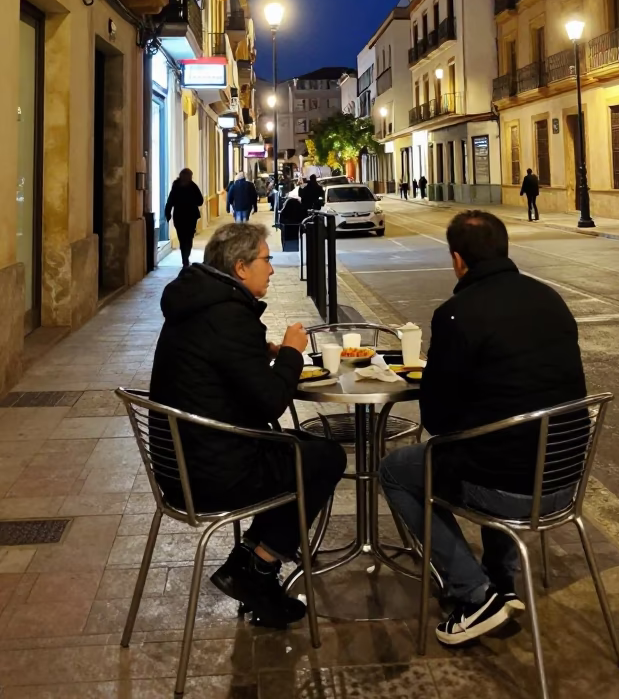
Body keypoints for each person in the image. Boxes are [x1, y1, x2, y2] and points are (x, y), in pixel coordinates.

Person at [380, 210, 586, 647]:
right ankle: (501, 581)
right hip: (566, 480)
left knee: (397, 471)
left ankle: (475, 595)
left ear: (457, 260)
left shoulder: (458, 314)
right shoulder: (551, 298)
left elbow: (436, 421)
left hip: (509, 487)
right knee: (500, 443)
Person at [149, 222, 347, 628]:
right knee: (323, 457)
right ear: (241, 268)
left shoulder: (201, 305)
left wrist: (261, 353)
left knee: (303, 450)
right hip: (214, 471)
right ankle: (257, 568)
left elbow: (223, 370)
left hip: (183, 461)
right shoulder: (227, 316)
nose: (272, 270)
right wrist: (292, 353)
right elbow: (272, 401)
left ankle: (249, 564)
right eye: (266, 260)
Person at [164, 168, 204, 266]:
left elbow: (170, 201)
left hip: (179, 216)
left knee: (182, 238)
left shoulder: (176, 186)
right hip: (190, 216)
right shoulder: (192, 186)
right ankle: (186, 257)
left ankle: (184, 258)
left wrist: (168, 213)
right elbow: (200, 201)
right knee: (188, 237)